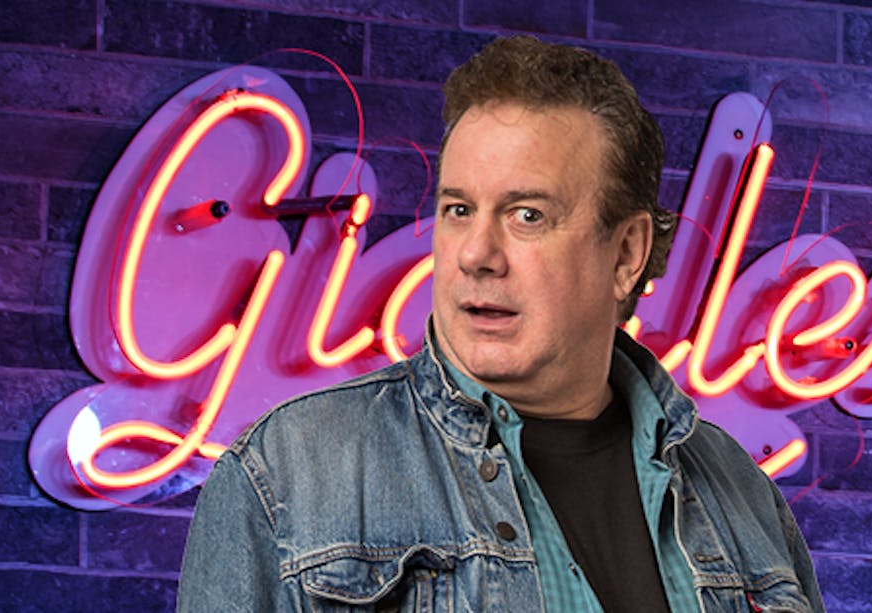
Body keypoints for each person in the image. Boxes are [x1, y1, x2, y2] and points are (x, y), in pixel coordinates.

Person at [178, 36, 824, 612]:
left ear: (626, 253)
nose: (475, 254)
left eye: (527, 216)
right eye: (458, 209)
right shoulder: (285, 473)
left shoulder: (739, 490)